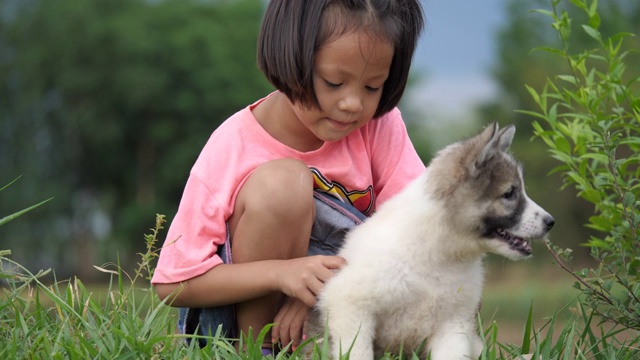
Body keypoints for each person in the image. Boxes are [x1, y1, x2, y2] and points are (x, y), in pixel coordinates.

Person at [152, 0, 425, 355]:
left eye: (373, 87)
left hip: (343, 302)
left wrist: (320, 291)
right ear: (290, 59)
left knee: (450, 285)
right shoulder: (234, 145)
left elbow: (418, 233)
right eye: (334, 82)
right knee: (284, 184)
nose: (353, 104)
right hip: (239, 326)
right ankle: (259, 352)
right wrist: (282, 274)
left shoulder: (379, 128)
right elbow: (175, 282)